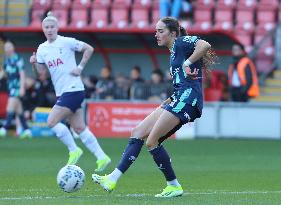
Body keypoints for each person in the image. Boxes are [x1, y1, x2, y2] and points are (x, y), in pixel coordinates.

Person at [92, 17, 214, 197]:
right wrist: (171, 97)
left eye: (160, 31)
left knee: (152, 141)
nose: (156, 34)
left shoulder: (180, 42)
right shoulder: (173, 51)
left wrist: (187, 63)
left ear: (173, 33)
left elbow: (205, 45)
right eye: (156, 31)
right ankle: (112, 178)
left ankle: (173, 186)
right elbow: (183, 80)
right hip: (179, 98)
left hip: (189, 100)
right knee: (138, 131)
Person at [29, 12, 111, 171]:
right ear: (43, 29)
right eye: (46, 27)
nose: (50, 29)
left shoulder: (66, 42)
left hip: (73, 90)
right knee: (79, 128)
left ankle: (74, 150)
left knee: (51, 121)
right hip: (63, 92)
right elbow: (40, 74)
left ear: (57, 27)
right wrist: (33, 63)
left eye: (52, 26)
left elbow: (89, 48)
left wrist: (80, 68)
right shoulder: (42, 49)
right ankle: (102, 157)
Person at [0, 41, 32, 139]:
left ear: (13, 47)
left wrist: (22, 87)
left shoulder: (18, 59)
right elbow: (4, 74)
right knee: (19, 110)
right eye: (6, 47)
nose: (7, 49)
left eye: (9, 47)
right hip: (11, 88)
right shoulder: (6, 62)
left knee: (10, 107)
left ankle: (4, 129)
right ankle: (27, 130)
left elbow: (22, 74)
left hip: (17, 88)